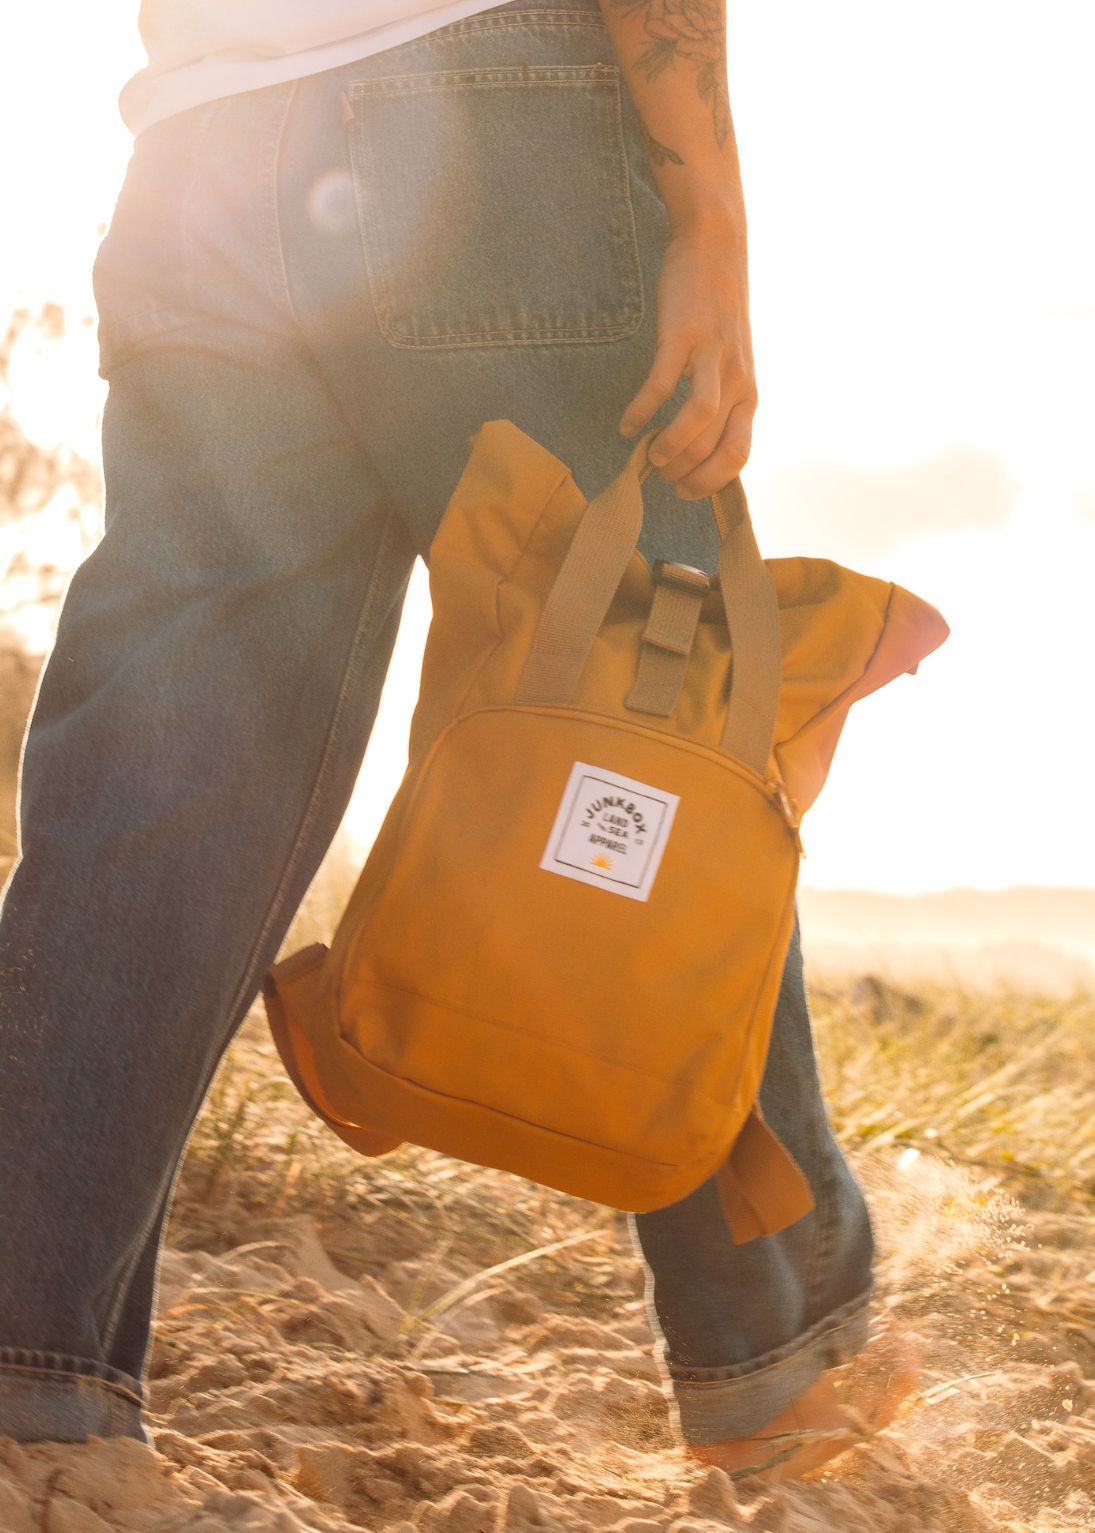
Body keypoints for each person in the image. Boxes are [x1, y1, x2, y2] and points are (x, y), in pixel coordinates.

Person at [0, 0, 918, 1478]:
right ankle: (774, 1354)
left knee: (158, 778)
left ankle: (24, 1361)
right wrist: (710, 205)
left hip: (200, 156)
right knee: (651, 715)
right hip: (491, 114)